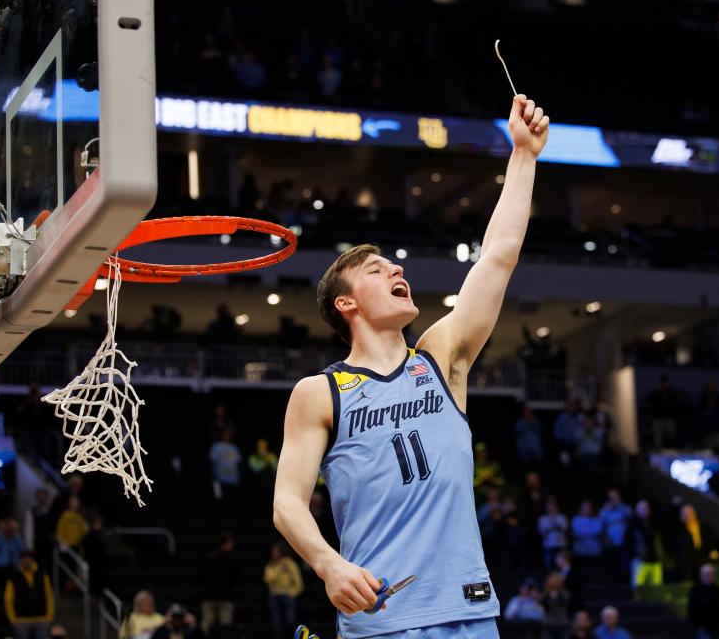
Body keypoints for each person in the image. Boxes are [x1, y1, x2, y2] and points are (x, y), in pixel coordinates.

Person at [273, 94, 550, 638]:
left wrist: (524, 155)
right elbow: (287, 502)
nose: (397, 268)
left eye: (392, 264)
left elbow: (498, 255)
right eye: (376, 270)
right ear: (346, 305)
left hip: (470, 609)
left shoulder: (441, 357)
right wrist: (328, 564)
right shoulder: (320, 392)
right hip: (383, 618)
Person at [4, 550, 55, 639]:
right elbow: (8, 599)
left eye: (28, 558)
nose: (26, 560)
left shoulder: (42, 575)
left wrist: (49, 616)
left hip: (41, 619)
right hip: (21, 620)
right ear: (20, 560)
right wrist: (12, 618)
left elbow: (49, 596)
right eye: (24, 558)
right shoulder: (14, 577)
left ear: (32, 559)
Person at [201, 532, 239, 634]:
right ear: (226, 543)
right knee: (222, 627)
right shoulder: (230, 559)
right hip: (222, 596)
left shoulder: (209, 557)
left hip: (211, 595)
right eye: (231, 543)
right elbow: (236, 577)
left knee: (208, 626)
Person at [264, 542, 303, 639]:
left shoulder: (289, 563)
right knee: (277, 623)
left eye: (276, 551)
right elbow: (268, 578)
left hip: (287, 596)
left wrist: (293, 593)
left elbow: (297, 580)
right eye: (273, 551)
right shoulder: (271, 564)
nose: (274, 553)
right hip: (274, 596)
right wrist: (280, 570)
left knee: (290, 621)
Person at [626, 500, 664, 590]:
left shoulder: (654, 523)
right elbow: (627, 542)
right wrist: (634, 555)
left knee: (656, 588)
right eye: (642, 508)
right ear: (637, 510)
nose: (645, 510)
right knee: (638, 587)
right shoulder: (632, 525)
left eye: (647, 508)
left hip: (655, 560)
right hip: (640, 561)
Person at [688, 564, 719, 639]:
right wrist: (698, 627)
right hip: (702, 629)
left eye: (710, 574)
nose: (708, 577)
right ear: (701, 575)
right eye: (706, 574)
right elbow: (692, 611)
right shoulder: (695, 591)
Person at [0, 516, 25, 591]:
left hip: (13, 567)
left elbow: (22, 548)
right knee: (0, 588)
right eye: (7, 526)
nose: (9, 529)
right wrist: (2, 533)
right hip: (0, 568)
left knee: (12, 588)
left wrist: (15, 532)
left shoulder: (16, 537)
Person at [600, 490, 632, 567]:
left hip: (623, 542)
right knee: (611, 565)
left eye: (615, 497)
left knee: (623, 565)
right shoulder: (605, 509)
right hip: (609, 542)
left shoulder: (625, 508)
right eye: (611, 498)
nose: (613, 500)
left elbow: (630, 516)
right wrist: (607, 508)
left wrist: (620, 505)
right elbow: (601, 520)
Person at [209, 427, 242, 502]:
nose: (228, 435)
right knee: (219, 501)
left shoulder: (234, 447)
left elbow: (238, 463)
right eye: (226, 433)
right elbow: (212, 463)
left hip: (233, 480)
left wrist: (239, 478)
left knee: (233, 502)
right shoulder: (216, 446)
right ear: (222, 434)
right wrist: (213, 478)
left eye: (230, 434)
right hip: (220, 480)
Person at [538, 498, 569, 571]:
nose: (551, 508)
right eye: (549, 506)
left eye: (553, 506)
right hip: (548, 545)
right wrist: (551, 528)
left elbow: (564, 528)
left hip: (561, 545)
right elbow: (542, 532)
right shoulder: (542, 519)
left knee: (562, 566)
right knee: (548, 566)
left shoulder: (561, 517)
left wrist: (554, 522)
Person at [572, 501, 604, 565]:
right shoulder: (576, 519)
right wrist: (589, 533)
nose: (587, 509)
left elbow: (597, 532)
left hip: (594, 551)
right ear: (581, 508)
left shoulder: (596, 520)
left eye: (588, 507)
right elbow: (577, 532)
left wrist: (585, 533)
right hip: (580, 551)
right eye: (584, 507)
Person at [543, 572, 570, 638]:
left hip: (561, 624)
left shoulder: (565, 593)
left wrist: (557, 593)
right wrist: (549, 593)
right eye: (552, 580)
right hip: (549, 624)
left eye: (556, 580)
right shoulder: (545, 594)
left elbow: (565, 601)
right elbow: (543, 603)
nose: (554, 582)